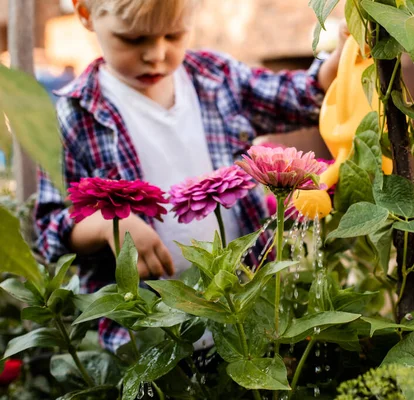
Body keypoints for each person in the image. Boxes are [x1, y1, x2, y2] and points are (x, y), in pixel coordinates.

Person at [34, 0, 346, 352]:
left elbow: (301, 96)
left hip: (246, 314)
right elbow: (50, 229)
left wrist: (341, 55)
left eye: (173, 34)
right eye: (134, 39)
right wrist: (110, 224)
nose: (156, 54)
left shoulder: (215, 76)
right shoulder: (75, 113)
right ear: (86, 14)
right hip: (149, 337)